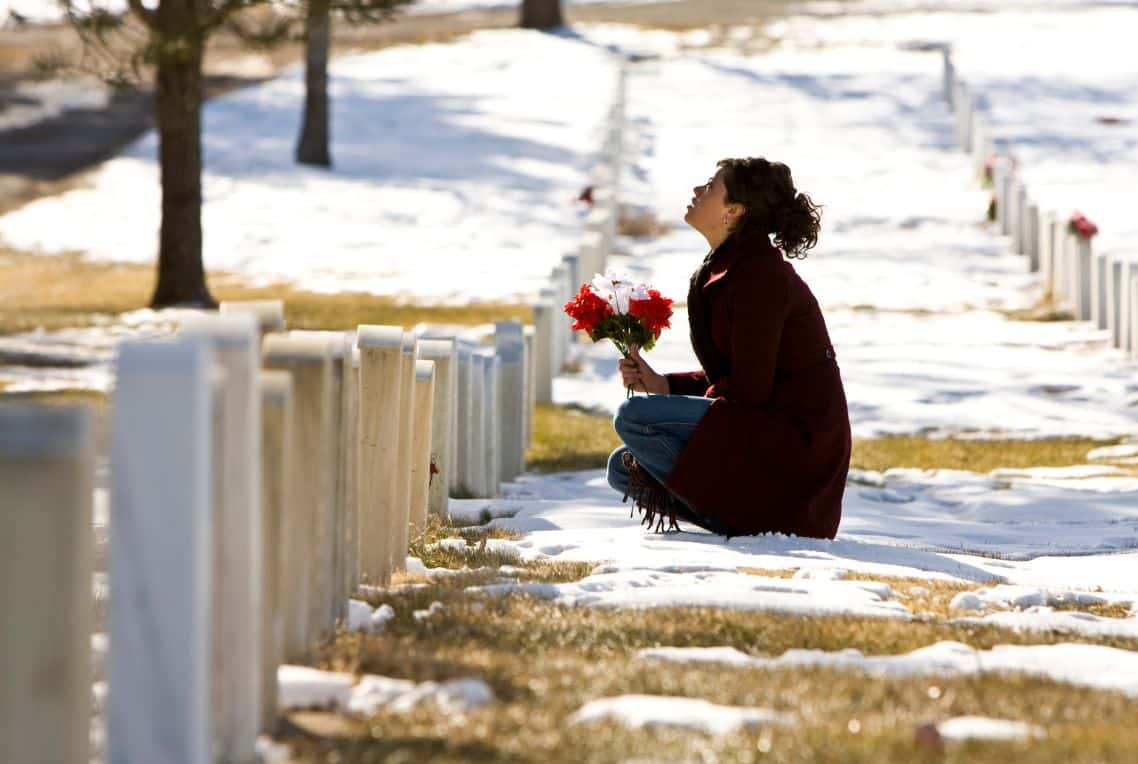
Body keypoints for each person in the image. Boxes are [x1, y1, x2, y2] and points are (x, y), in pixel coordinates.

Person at [605, 157, 851, 539]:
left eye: (710, 186)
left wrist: (680, 407)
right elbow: (738, 374)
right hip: (761, 431)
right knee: (623, 467)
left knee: (634, 418)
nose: (697, 191)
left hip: (795, 452)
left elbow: (750, 389)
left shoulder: (760, 276)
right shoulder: (727, 267)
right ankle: (737, 514)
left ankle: (748, 519)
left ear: (734, 211)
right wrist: (663, 385)